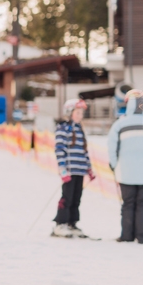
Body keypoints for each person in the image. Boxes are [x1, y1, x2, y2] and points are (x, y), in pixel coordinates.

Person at [107, 89, 143, 243]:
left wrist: (114, 165)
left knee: (128, 204)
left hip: (126, 173)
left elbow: (112, 147)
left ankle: (127, 236)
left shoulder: (120, 124)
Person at [52, 99, 95, 238]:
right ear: (69, 112)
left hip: (80, 169)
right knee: (67, 197)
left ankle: (72, 222)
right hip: (69, 170)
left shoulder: (80, 130)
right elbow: (59, 149)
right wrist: (62, 169)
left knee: (77, 198)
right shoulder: (63, 128)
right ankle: (61, 223)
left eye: (81, 113)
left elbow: (84, 151)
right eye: (77, 112)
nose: (80, 115)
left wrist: (89, 169)